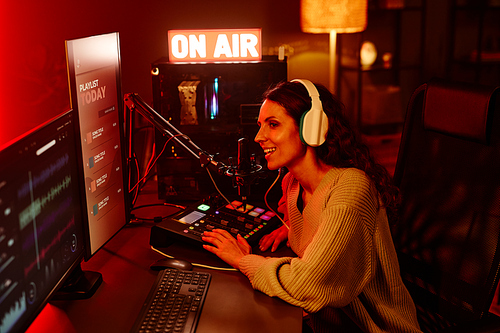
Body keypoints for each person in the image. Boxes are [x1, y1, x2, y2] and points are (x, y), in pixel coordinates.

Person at [202, 79, 421, 333]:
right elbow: (319, 231)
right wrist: (292, 229)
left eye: (273, 125)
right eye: (260, 125)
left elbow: (309, 284)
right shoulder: (292, 185)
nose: (259, 137)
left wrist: (243, 260)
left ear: (312, 127)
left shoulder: (351, 188)